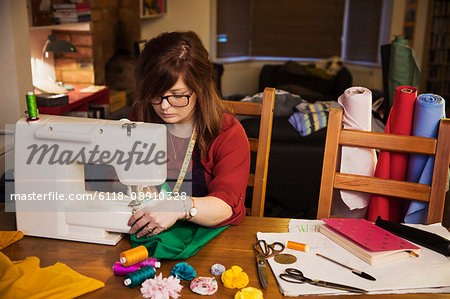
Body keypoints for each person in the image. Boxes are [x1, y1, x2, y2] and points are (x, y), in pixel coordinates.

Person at [127, 31, 250, 238]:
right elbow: (115, 170)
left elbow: (226, 205)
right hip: (147, 234)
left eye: (177, 95)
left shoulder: (227, 133)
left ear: (200, 88)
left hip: (209, 241)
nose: (164, 106)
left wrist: (179, 206)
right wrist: (137, 187)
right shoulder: (141, 115)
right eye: (156, 94)